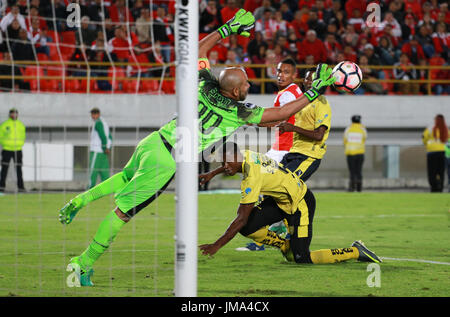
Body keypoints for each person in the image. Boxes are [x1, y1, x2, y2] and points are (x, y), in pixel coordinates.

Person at [58, 9, 337, 286]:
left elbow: (198, 51)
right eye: (246, 82)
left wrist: (228, 29)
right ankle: (83, 263)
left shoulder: (203, 84)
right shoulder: (238, 111)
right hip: (166, 162)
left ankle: (80, 200)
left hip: (154, 141)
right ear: (237, 92)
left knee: (125, 177)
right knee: (122, 214)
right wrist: (313, 92)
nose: (250, 83)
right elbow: (277, 115)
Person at [199, 142, 382, 265]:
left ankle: (355, 251)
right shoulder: (245, 155)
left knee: (301, 258)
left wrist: (217, 245)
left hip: (300, 203)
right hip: (280, 201)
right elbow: (230, 164)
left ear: (236, 156)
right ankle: (285, 245)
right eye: (222, 162)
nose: (225, 165)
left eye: (227, 161)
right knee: (248, 228)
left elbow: (240, 218)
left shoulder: (251, 179)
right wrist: (211, 174)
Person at [234, 57, 303, 251]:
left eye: (286, 72)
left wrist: (253, 121)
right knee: (271, 191)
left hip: (284, 148)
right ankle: (279, 227)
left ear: (294, 74)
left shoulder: (288, 95)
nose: (281, 75)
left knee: (260, 185)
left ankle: (262, 237)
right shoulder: (295, 92)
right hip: (285, 147)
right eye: (279, 71)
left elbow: (278, 119)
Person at [278, 69, 332, 181]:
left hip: (308, 155)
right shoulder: (301, 102)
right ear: (304, 81)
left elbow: (319, 135)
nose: (311, 82)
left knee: (284, 185)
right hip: (294, 151)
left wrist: (293, 128)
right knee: (273, 185)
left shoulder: (321, 103)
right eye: (308, 79)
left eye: (314, 79)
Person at [0, 108, 26, 193]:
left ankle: (21, 188)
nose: (14, 115)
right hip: (7, 149)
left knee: (19, 169)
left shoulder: (20, 125)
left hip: (17, 150)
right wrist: (5, 144)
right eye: (12, 113)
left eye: (15, 113)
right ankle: (2, 187)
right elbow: (1, 136)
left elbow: (23, 136)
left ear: (17, 114)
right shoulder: (5, 124)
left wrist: (20, 144)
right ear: (10, 114)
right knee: (4, 169)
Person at [422, 114, 448, 192]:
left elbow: (424, 138)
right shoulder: (445, 129)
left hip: (432, 153)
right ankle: (441, 187)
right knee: (441, 172)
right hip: (442, 152)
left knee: (432, 172)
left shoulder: (430, 129)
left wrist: (428, 145)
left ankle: (434, 187)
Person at [88, 108, 112, 189]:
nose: (92, 116)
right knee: (104, 173)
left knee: (93, 171)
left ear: (97, 114)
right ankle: (108, 189)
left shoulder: (98, 123)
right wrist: (108, 147)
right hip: (104, 152)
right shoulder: (104, 123)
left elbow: (103, 136)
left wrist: (104, 147)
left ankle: (89, 189)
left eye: (93, 114)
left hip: (97, 150)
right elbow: (110, 137)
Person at [343, 115, 367, 192]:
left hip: (350, 153)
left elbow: (345, 141)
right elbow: (364, 139)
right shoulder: (363, 129)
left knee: (352, 171)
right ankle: (359, 188)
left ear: (352, 121)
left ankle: (352, 188)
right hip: (360, 153)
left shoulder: (348, 129)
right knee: (359, 171)